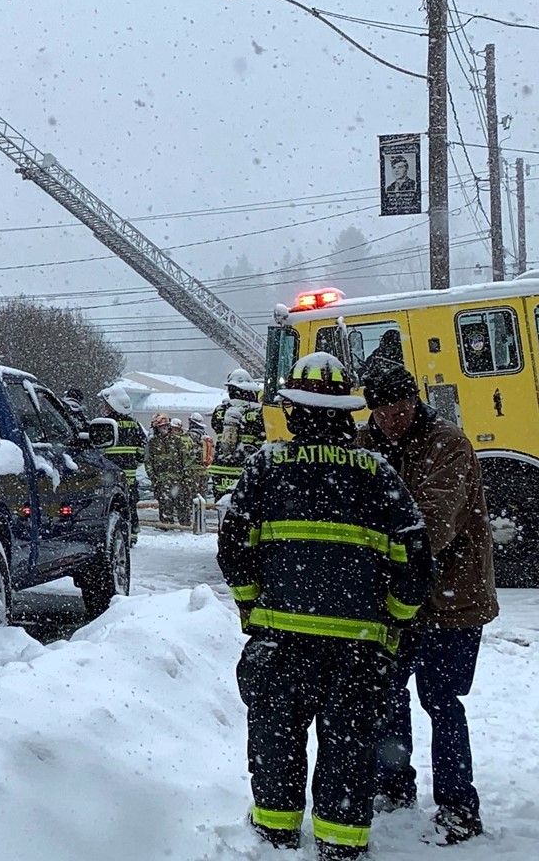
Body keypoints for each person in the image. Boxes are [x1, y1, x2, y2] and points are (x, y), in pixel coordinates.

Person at [217, 352, 432, 859]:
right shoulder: (378, 474)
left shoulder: (266, 467)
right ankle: (341, 843)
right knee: (349, 753)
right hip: (357, 653)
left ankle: (275, 835)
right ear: (349, 413)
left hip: (281, 647)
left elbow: (232, 548)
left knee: (276, 747)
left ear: (292, 412)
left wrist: (252, 610)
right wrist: (393, 622)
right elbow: (416, 560)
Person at [358, 364, 497, 844]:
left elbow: (432, 524)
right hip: (397, 602)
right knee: (388, 695)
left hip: (451, 602)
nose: (392, 418)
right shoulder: (365, 445)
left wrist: (369, 541)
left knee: (441, 700)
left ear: (415, 402)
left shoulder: (448, 444)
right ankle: (393, 785)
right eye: (382, 410)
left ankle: (459, 806)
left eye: (400, 407)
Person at [209, 369, 267, 501]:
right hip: (244, 468)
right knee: (244, 506)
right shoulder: (258, 412)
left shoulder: (219, 411)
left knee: (222, 506)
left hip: (220, 468)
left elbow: (215, 427)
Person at [99, 386, 147, 496]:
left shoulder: (105, 423)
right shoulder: (134, 424)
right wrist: (134, 463)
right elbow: (143, 448)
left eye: (105, 405)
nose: (103, 407)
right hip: (130, 477)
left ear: (111, 406)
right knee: (130, 506)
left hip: (110, 477)